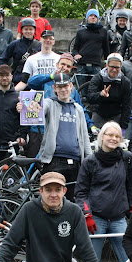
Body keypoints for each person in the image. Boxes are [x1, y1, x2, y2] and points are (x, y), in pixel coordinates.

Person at [75, 121, 132, 262]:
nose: (113, 138)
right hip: (97, 218)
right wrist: (87, 214)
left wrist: (131, 208)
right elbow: (81, 192)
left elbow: (131, 187)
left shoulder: (127, 158)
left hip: (118, 217)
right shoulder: (90, 161)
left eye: (117, 136)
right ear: (101, 136)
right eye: (109, 134)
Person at [25, 53, 94, 158]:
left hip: (57, 132)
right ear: (57, 64)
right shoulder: (46, 81)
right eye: (63, 64)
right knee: (34, 162)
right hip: (39, 130)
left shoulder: (72, 90)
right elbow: (31, 82)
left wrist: (91, 125)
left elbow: (80, 109)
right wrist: (50, 76)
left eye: (68, 66)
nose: (65, 68)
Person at [39, 72, 92, 201]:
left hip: (75, 161)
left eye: (65, 86)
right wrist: (25, 108)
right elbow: (38, 110)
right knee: (52, 199)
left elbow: (84, 136)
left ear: (71, 86)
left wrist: (89, 159)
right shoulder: (49, 103)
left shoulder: (78, 108)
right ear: (54, 88)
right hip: (54, 160)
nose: (63, 90)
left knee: (72, 200)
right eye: (59, 87)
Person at [86, 52, 131, 131]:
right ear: (107, 65)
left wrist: (123, 126)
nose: (114, 70)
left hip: (116, 115)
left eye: (117, 67)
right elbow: (90, 97)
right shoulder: (97, 78)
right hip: (99, 113)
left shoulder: (125, 82)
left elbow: (127, 105)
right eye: (112, 67)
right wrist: (100, 94)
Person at [71, 9, 110, 91]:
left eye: (95, 16)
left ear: (98, 18)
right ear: (87, 18)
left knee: (95, 89)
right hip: (82, 65)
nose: (93, 17)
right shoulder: (80, 32)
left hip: (96, 65)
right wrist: (76, 55)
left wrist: (108, 62)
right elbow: (75, 49)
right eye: (91, 16)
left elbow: (106, 49)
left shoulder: (103, 31)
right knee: (81, 91)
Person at [0, 18, 40, 85]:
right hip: (17, 80)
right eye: (26, 29)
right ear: (22, 30)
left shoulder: (39, 45)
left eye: (30, 29)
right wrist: (6, 73)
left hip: (34, 80)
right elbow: (3, 59)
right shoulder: (14, 44)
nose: (28, 31)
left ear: (34, 30)